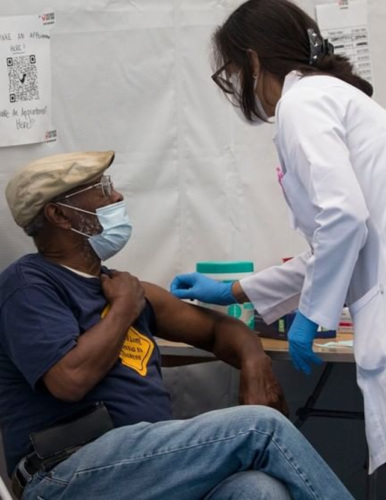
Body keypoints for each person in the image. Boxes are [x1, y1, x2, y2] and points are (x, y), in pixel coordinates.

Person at [0, 150, 353, 500]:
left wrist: (254, 360)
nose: (118, 196)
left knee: (259, 491)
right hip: (64, 472)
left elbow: (218, 330)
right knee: (260, 427)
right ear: (59, 215)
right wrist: (124, 307)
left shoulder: (124, 286)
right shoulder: (29, 286)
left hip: (148, 469)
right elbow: (70, 381)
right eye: (102, 188)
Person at [170, 0, 386, 476]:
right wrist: (235, 291)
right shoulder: (334, 98)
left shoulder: (303, 102)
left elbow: (345, 220)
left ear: (251, 61)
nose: (237, 87)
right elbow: (341, 240)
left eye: (231, 71)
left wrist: (311, 315)